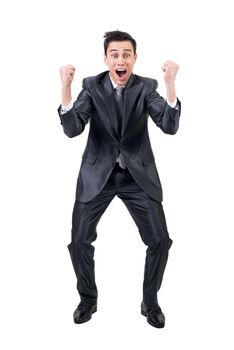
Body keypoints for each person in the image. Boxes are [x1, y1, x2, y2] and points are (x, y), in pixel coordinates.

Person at [58, 30, 181, 328]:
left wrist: (169, 84)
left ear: (135, 59)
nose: (121, 60)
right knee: (78, 241)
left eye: (127, 54)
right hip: (97, 173)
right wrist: (66, 88)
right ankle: (88, 299)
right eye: (115, 55)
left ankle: (149, 303)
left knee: (160, 240)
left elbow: (168, 126)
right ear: (106, 59)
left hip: (136, 176)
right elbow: (73, 129)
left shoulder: (146, 87)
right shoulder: (92, 86)